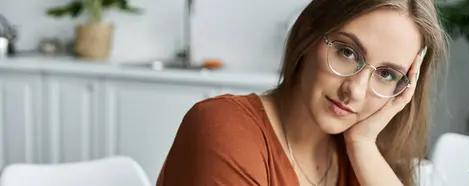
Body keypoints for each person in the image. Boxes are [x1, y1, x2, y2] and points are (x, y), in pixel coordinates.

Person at [156, 0, 447, 185]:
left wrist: (363, 144)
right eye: (347, 52)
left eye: (386, 74)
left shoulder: (361, 155)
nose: (355, 91)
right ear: (308, 32)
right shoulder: (222, 128)